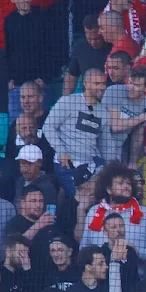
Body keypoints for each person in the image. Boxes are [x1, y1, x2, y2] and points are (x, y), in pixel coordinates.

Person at [47, 69, 108, 197]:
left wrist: (113, 166)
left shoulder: (104, 112)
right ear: (86, 83)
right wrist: (61, 151)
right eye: (97, 83)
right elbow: (48, 127)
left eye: (103, 84)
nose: (102, 87)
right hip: (67, 165)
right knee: (83, 198)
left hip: (91, 167)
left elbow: (106, 145)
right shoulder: (67, 102)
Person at [3, 0, 55, 122]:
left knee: (42, 124)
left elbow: (52, 49)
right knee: (16, 124)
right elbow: (7, 52)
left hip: (40, 83)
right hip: (17, 85)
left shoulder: (44, 17)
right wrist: (9, 79)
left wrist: (45, 77)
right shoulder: (9, 21)